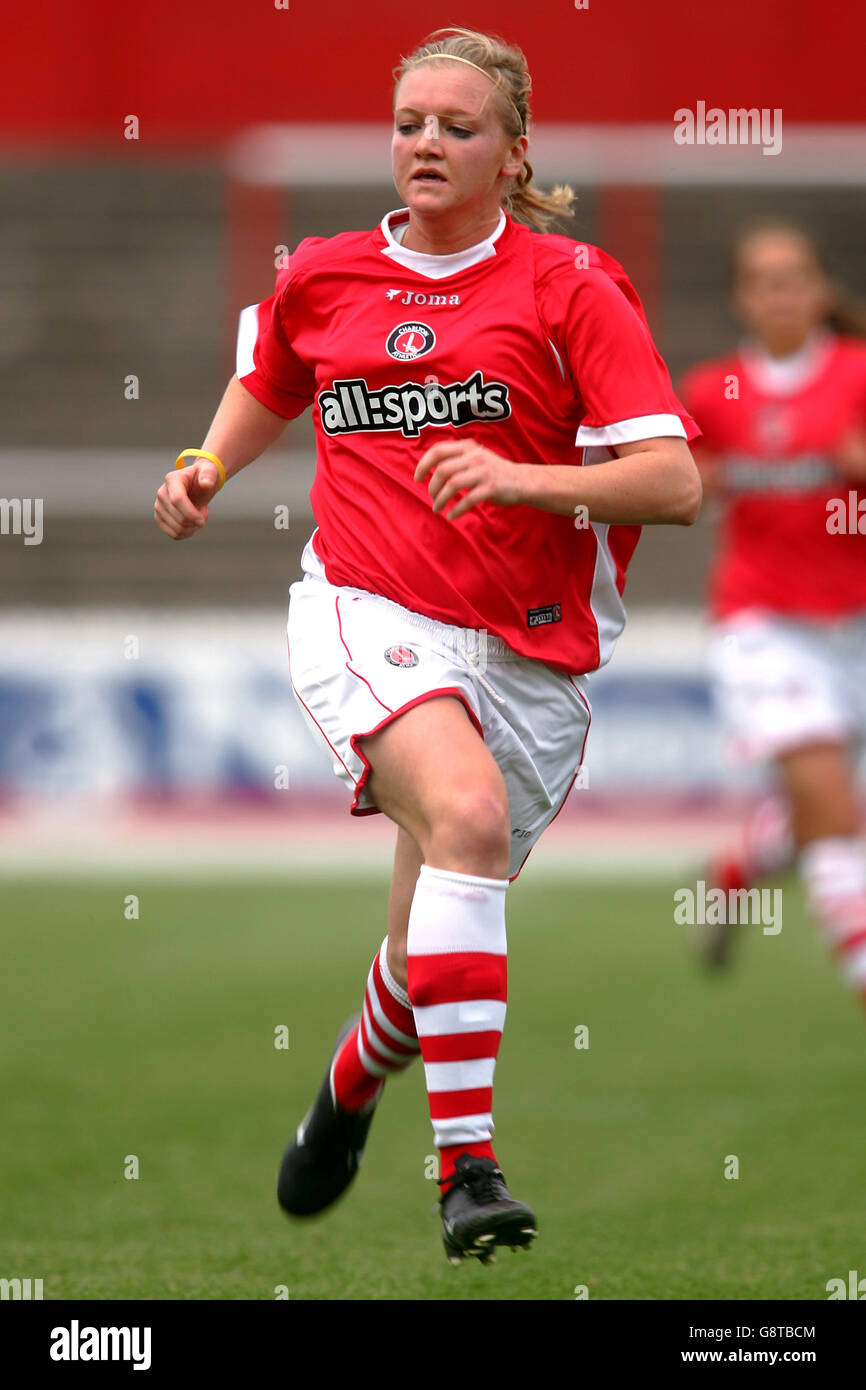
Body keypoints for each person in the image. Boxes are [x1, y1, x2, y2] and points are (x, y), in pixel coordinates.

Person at [154, 26, 701, 1266]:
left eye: (458, 127)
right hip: (366, 610)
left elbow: (670, 484)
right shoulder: (327, 273)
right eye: (409, 122)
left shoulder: (571, 285)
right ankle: (465, 1168)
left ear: (512, 156)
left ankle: (351, 1082)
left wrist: (516, 479)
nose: (426, 144)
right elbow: (271, 375)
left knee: (425, 946)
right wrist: (203, 467)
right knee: (461, 820)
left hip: (531, 656)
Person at [678, 224, 866, 988]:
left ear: (821, 289)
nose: (782, 292)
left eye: (795, 276)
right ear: (741, 298)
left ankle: (735, 868)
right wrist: (694, 477)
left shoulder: (857, 374)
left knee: (832, 811)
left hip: (854, 625)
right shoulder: (712, 392)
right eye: (764, 279)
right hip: (763, 626)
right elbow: (677, 483)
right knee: (832, 811)